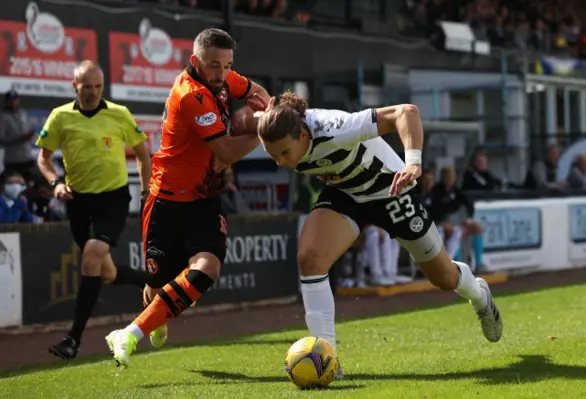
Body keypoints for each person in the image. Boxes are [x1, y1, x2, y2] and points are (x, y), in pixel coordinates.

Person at [255, 92, 503, 377]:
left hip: (390, 190)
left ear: (301, 133)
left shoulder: (336, 127)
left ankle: (479, 295)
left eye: (284, 153)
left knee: (444, 277)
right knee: (310, 258)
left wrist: (413, 162)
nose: (280, 162)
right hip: (345, 191)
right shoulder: (277, 127)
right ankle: (328, 360)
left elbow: (406, 112)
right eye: (271, 155)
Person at [105, 28, 270, 368]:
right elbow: (225, 149)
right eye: (214, 66)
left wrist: (262, 110)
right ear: (195, 62)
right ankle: (154, 317)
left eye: (227, 65)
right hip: (165, 200)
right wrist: (261, 128)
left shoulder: (223, 77)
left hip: (203, 199)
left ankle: (128, 334)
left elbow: (258, 93)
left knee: (207, 268)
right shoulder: (191, 95)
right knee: (154, 287)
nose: (222, 74)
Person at [36, 60, 152, 360]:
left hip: (113, 198)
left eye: (98, 86)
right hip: (78, 201)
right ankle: (145, 280)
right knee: (106, 273)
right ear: (75, 87)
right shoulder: (60, 117)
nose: (93, 92)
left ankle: (72, 339)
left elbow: (142, 153)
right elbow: (44, 159)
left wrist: (149, 192)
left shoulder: (119, 114)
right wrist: (55, 183)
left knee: (91, 253)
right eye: (86, 87)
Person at [430, 167, 485, 271]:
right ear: (443, 177)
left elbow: (469, 204)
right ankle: (454, 263)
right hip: (440, 223)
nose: (450, 179)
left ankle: (479, 263)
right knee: (456, 232)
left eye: (452, 176)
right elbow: (434, 210)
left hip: (456, 222)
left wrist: (468, 217)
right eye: (448, 176)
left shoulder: (456, 190)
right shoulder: (436, 191)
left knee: (477, 228)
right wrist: (443, 220)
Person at [0, 90, 37, 181]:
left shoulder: (23, 113)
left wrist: (30, 136)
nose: (13, 102)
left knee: (31, 183)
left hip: (27, 156)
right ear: (6, 101)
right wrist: (19, 138)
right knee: (13, 185)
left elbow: (28, 130)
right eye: (10, 100)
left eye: (14, 100)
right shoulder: (2, 116)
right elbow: (1, 140)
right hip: (12, 159)